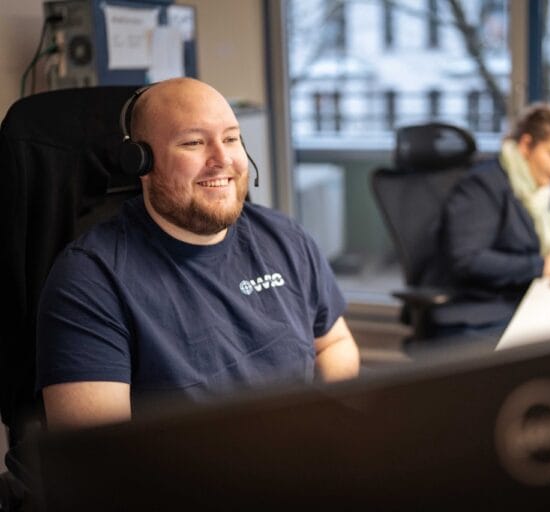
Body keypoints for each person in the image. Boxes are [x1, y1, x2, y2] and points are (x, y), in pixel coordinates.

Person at [36, 77, 360, 431]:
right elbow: (96, 459)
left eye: (231, 138)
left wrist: (317, 428)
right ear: (141, 162)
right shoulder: (91, 280)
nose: (222, 159)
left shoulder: (286, 239)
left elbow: (335, 344)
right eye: (194, 142)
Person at [426, 102, 550, 331]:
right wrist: (541, 265)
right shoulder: (482, 184)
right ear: (526, 145)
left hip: (524, 294)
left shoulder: (540, 187)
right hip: (483, 306)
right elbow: (469, 260)